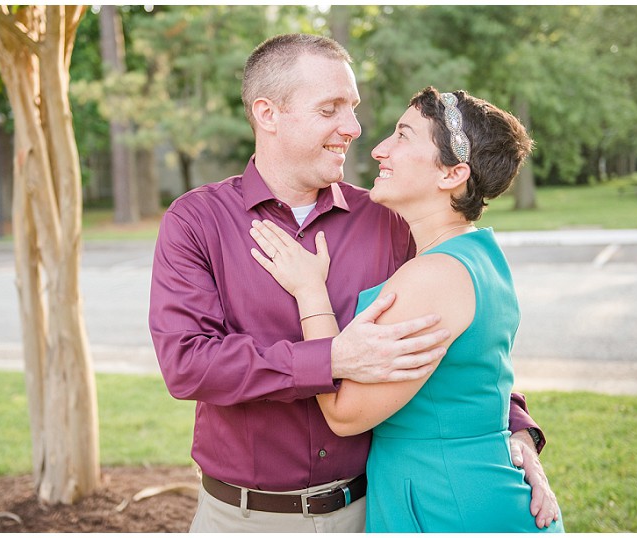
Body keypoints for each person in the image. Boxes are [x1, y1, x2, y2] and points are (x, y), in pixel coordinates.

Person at [149, 33, 558, 533]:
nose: (355, 127)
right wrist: (330, 359)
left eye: (354, 107)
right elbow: (187, 365)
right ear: (267, 114)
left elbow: (456, 338)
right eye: (330, 109)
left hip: (370, 512)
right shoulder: (196, 221)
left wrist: (515, 430)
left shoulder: (388, 217)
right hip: (240, 518)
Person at [248, 86, 564, 532]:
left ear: (452, 174)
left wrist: (309, 292)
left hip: (447, 502)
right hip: (466, 485)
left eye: (403, 135)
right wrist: (521, 436)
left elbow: (345, 415)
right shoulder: (478, 254)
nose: (379, 149)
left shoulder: (434, 276)